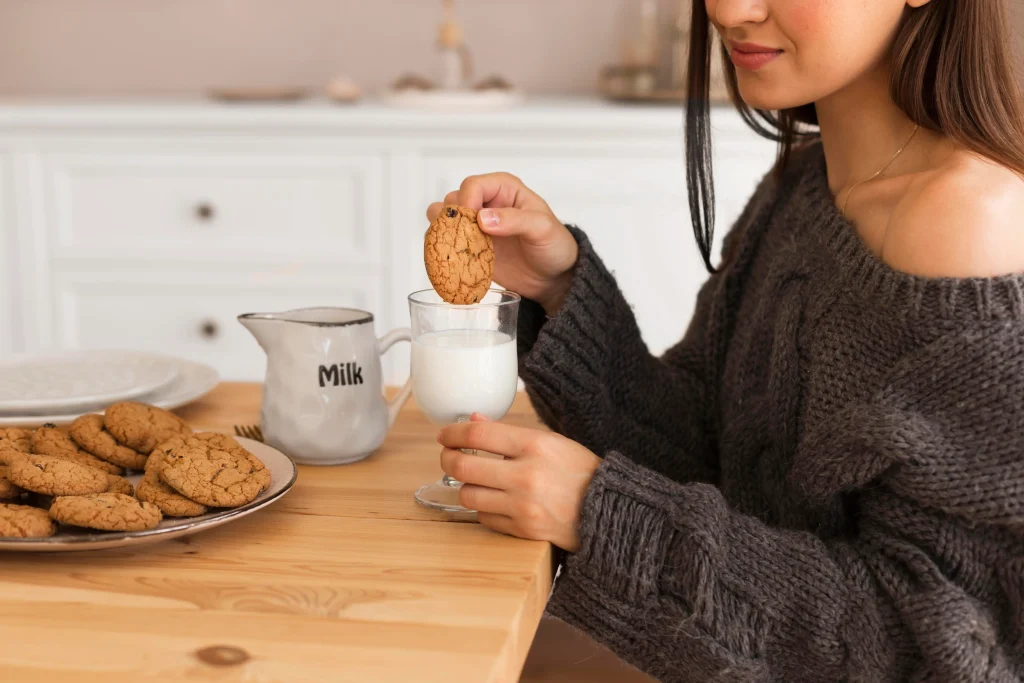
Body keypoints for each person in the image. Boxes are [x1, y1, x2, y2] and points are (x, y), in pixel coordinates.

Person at [426, 0, 1024, 680]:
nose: (729, 9)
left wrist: (608, 519)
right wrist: (558, 286)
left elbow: (942, 651)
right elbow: (711, 447)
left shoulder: (972, 225)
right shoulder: (809, 179)